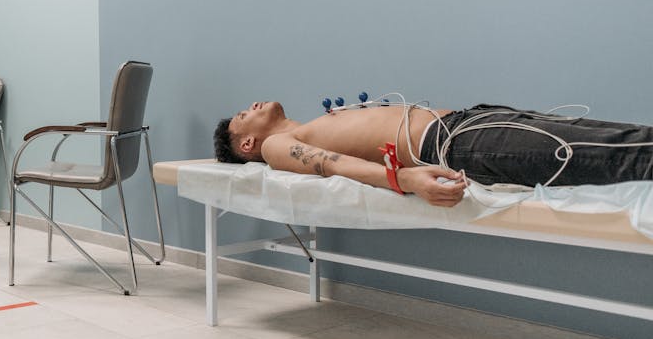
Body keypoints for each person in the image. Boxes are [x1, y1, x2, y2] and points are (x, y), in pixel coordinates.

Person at [214, 100, 653, 207]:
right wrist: (404, 180)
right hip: (456, 144)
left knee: (621, 137)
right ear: (248, 144)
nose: (250, 106)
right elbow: (333, 166)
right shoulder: (273, 148)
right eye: (241, 115)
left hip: (473, 120)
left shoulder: (314, 122)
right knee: (618, 154)